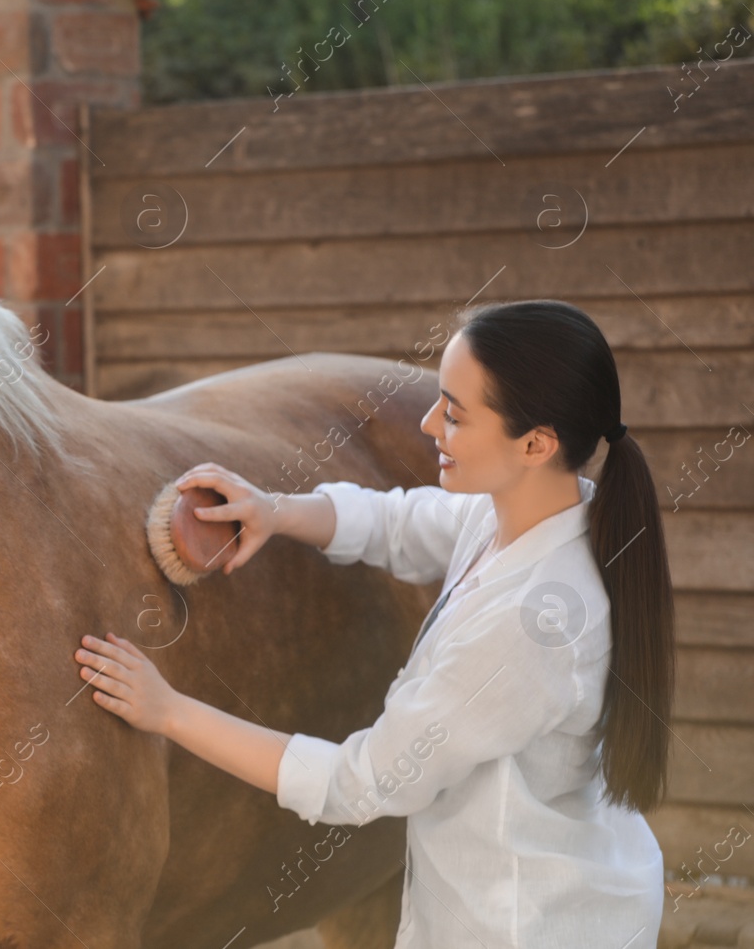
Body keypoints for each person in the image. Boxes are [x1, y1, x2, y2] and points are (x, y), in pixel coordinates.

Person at [76, 299, 671, 947]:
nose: (426, 422)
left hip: (522, 926)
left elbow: (360, 782)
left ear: (535, 443)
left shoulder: (527, 628)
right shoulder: (542, 513)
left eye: (454, 413)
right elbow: (400, 523)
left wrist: (169, 711)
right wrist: (274, 509)